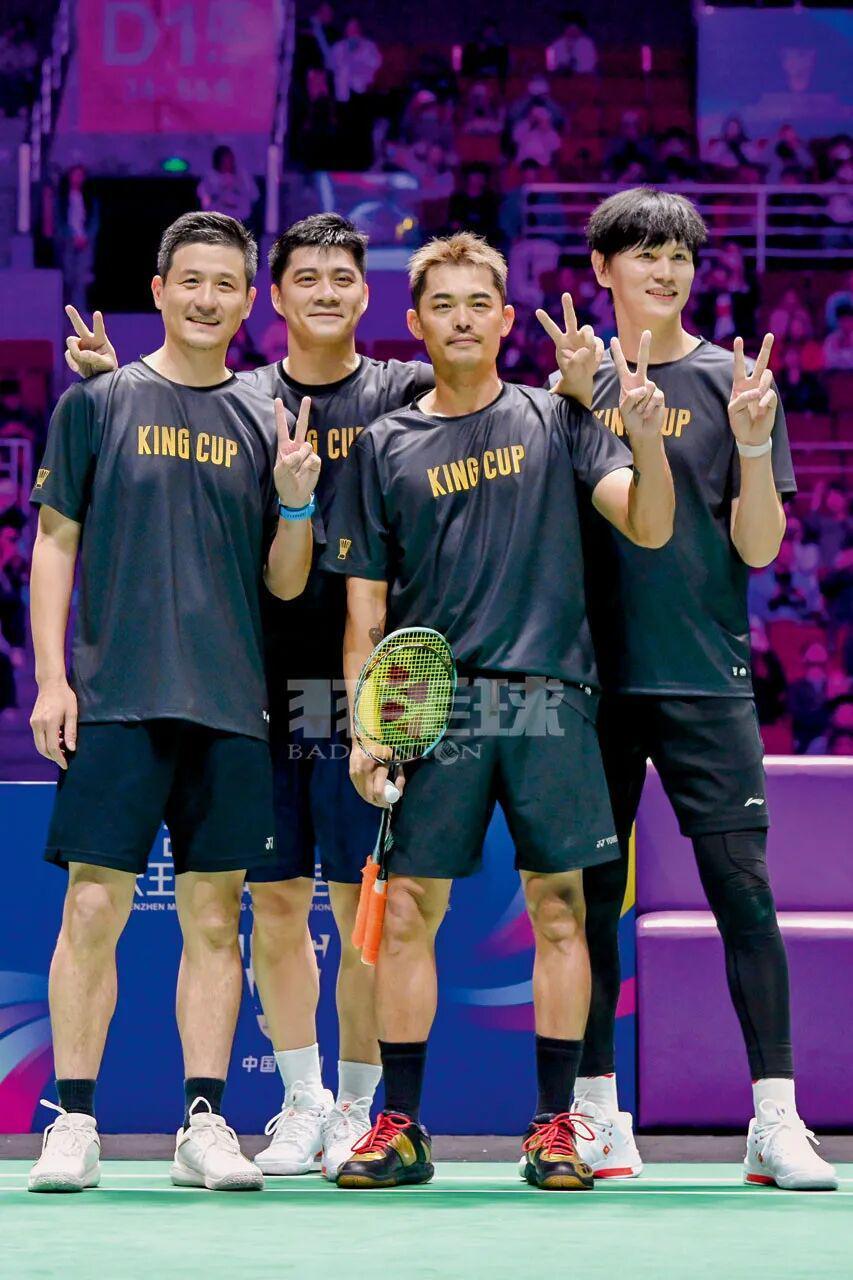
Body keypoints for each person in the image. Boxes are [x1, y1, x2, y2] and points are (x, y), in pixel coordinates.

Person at [61, 213, 598, 1181]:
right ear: (274, 297)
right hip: (256, 683)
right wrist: (111, 388)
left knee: (362, 907)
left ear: (367, 296)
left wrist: (574, 390)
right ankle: (303, 1097)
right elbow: (169, 410)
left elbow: (482, 390)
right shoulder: (247, 397)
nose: (323, 292)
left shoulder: (400, 387)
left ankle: (359, 1102)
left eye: (341, 278)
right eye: (303, 277)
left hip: (374, 691)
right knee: (273, 905)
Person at [323, 231, 675, 1191]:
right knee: (408, 912)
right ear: (415, 321)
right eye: (443, 304)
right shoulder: (385, 445)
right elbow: (365, 612)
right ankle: (399, 1127)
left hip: (548, 697)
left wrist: (643, 436)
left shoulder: (556, 418)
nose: (462, 319)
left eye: (479, 302)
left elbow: (647, 523)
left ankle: (555, 1127)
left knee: (560, 910)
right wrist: (366, 728)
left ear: (506, 318)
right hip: (433, 705)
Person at [27, 212, 319, 1194]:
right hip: (117, 697)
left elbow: (285, 581)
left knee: (214, 915)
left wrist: (295, 501)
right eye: (189, 279)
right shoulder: (98, 401)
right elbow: (55, 541)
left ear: (247, 301)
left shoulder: (266, 415)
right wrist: (54, 676)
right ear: (158, 290)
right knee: (92, 904)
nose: (206, 298)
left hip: (229, 703)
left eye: (225, 283)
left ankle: (204, 1120)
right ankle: (74, 1120)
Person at [552, 187, 837, 1191]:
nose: (665, 270)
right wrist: (578, 397)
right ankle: (596, 1116)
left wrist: (754, 443)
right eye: (643, 253)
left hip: (704, 677)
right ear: (602, 269)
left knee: (742, 893)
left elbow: (756, 547)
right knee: (589, 900)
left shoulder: (735, 382)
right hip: (588, 682)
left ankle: (774, 1118)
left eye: (678, 254)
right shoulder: (568, 386)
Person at [197, 146, 259, 226]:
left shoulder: (244, 177)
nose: (227, 163)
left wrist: (237, 187)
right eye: (224, 160)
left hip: (241, 219)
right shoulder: (210, 178)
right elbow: (205, 200)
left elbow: (254, 196)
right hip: (218, 219)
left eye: (229, 159)